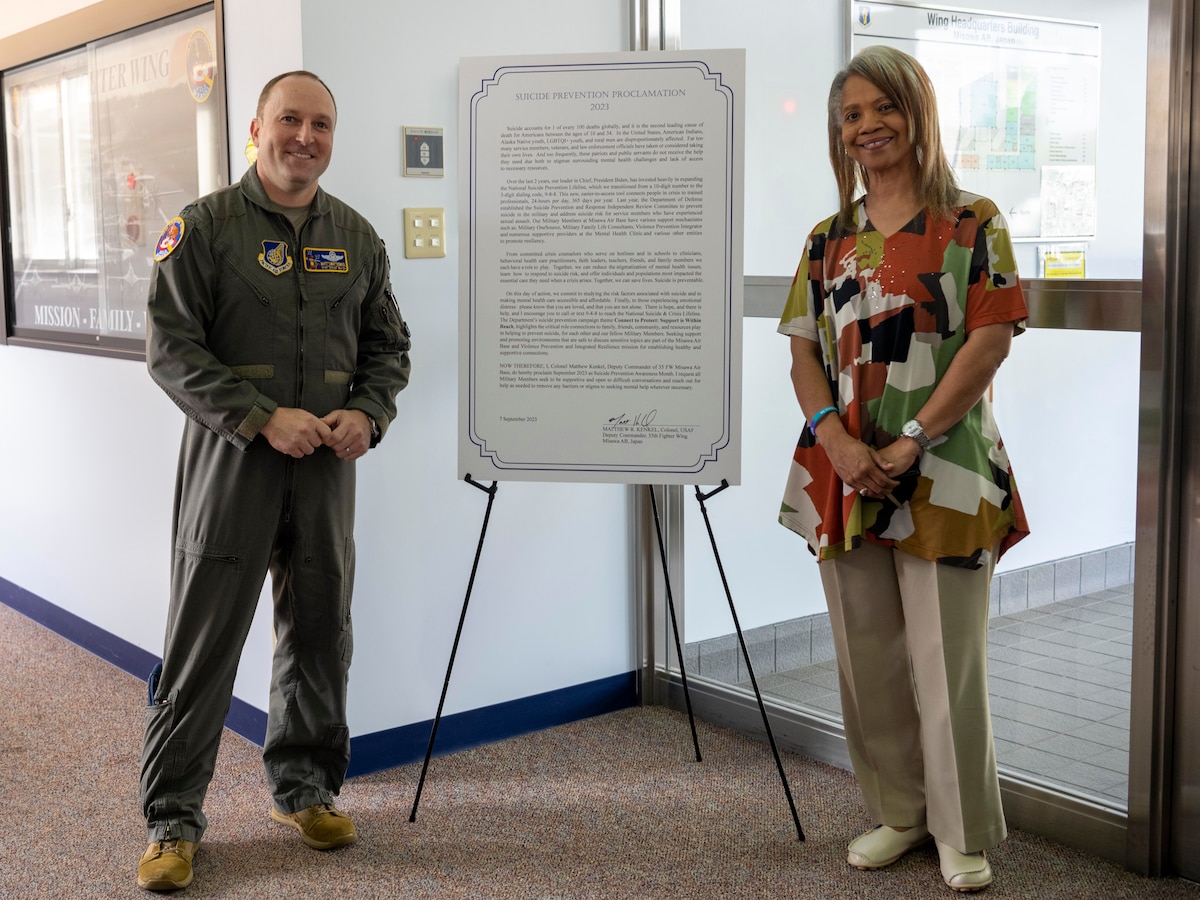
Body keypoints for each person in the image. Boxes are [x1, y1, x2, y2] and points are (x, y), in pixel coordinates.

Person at [136, 71, 412, 892]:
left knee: (322, 632)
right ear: (257, 127)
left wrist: (368, 412)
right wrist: (261, 416)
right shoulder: (204, 229)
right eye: (289, 119)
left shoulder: (357, 238)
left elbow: (388, 349)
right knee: (202, 645)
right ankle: (172, 819)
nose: (305, 137)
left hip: (326, 474)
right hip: (233, 471)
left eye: (321, 124)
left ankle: (304, 788)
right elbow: (172, 350)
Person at [777, 46, 1029, 893]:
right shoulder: (829, 239)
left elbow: (989, 339)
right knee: (869, 656)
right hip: (844, 471)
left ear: (917, 112)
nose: (867, 126)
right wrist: (837, 443)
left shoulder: (972, 222)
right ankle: (899, 812)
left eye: (882, 107)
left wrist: (913, 435)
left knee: (945, 657)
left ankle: (961, 830)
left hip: (946, 467)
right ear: (837, 133)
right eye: (851, 115)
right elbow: (804, 355)